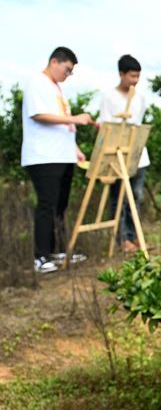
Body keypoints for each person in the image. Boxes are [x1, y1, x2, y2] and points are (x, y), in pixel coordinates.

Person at [21, 46, 93, 274]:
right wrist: (75, 118)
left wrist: (75, 148)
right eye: (67, 69)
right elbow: (38, 115)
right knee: (47, 204)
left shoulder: (57, 89)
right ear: (54, 61)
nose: (68, 75)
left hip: (63, 155)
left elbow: (64, 125)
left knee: (60, 206)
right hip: (43, 156)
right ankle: (40, 257)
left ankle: (57, 250)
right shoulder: (36, 82)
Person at [98, 54, 149, 254]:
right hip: (116, 155)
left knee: (136, 196)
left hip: (137, 154)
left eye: (138, 77)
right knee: (119, 197)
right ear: (121, 74)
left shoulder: (141, 97)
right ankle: (122, 239)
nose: (135, 81)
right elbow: (105, 126)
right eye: (131, 76)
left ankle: (135, 237)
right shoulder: (109, 97)